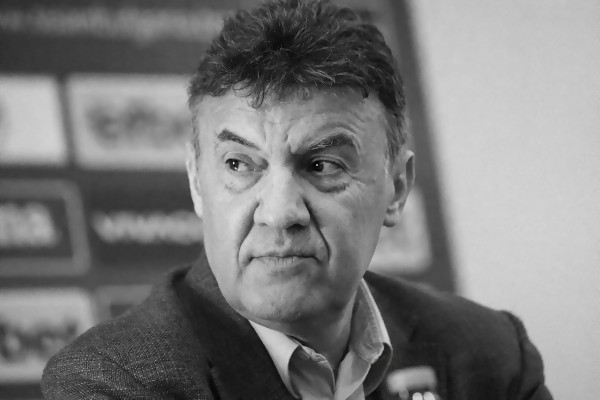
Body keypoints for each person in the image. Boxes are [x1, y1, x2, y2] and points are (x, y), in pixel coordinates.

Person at [42, 1, 553, 399]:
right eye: (239, 165)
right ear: (198, 184)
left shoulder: (491, 354)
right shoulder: (113, 382)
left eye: (322, 165)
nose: (280, 212)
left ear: (397, 187)